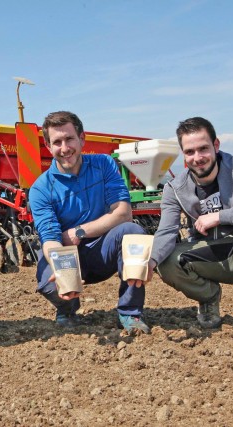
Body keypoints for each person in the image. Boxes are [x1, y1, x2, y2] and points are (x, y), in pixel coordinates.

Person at [150, 117, 233, 344]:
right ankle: (209, 297)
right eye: (190, 151)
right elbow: (166, 232)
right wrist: (150, 262)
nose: (198, 157)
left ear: (216, 145)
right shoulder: (175, 188)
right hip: (208, 254)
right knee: (165, 260)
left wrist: (219, 216)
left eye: (203, 148)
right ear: (184, 155)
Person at [29, 111, 151, 334]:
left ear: (82, 139)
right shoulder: (41, 189)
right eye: (57, 142)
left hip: (101, 251)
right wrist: (61, 267)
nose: (65, 148)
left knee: (133, 232)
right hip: (68, 254)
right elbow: (50, 238)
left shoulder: (103, 165)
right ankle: (67, 308)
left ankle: (130, 312)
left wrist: (79, 231)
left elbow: (123, 213)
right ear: (48, 146)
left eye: (69, 139)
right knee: (49, 281)